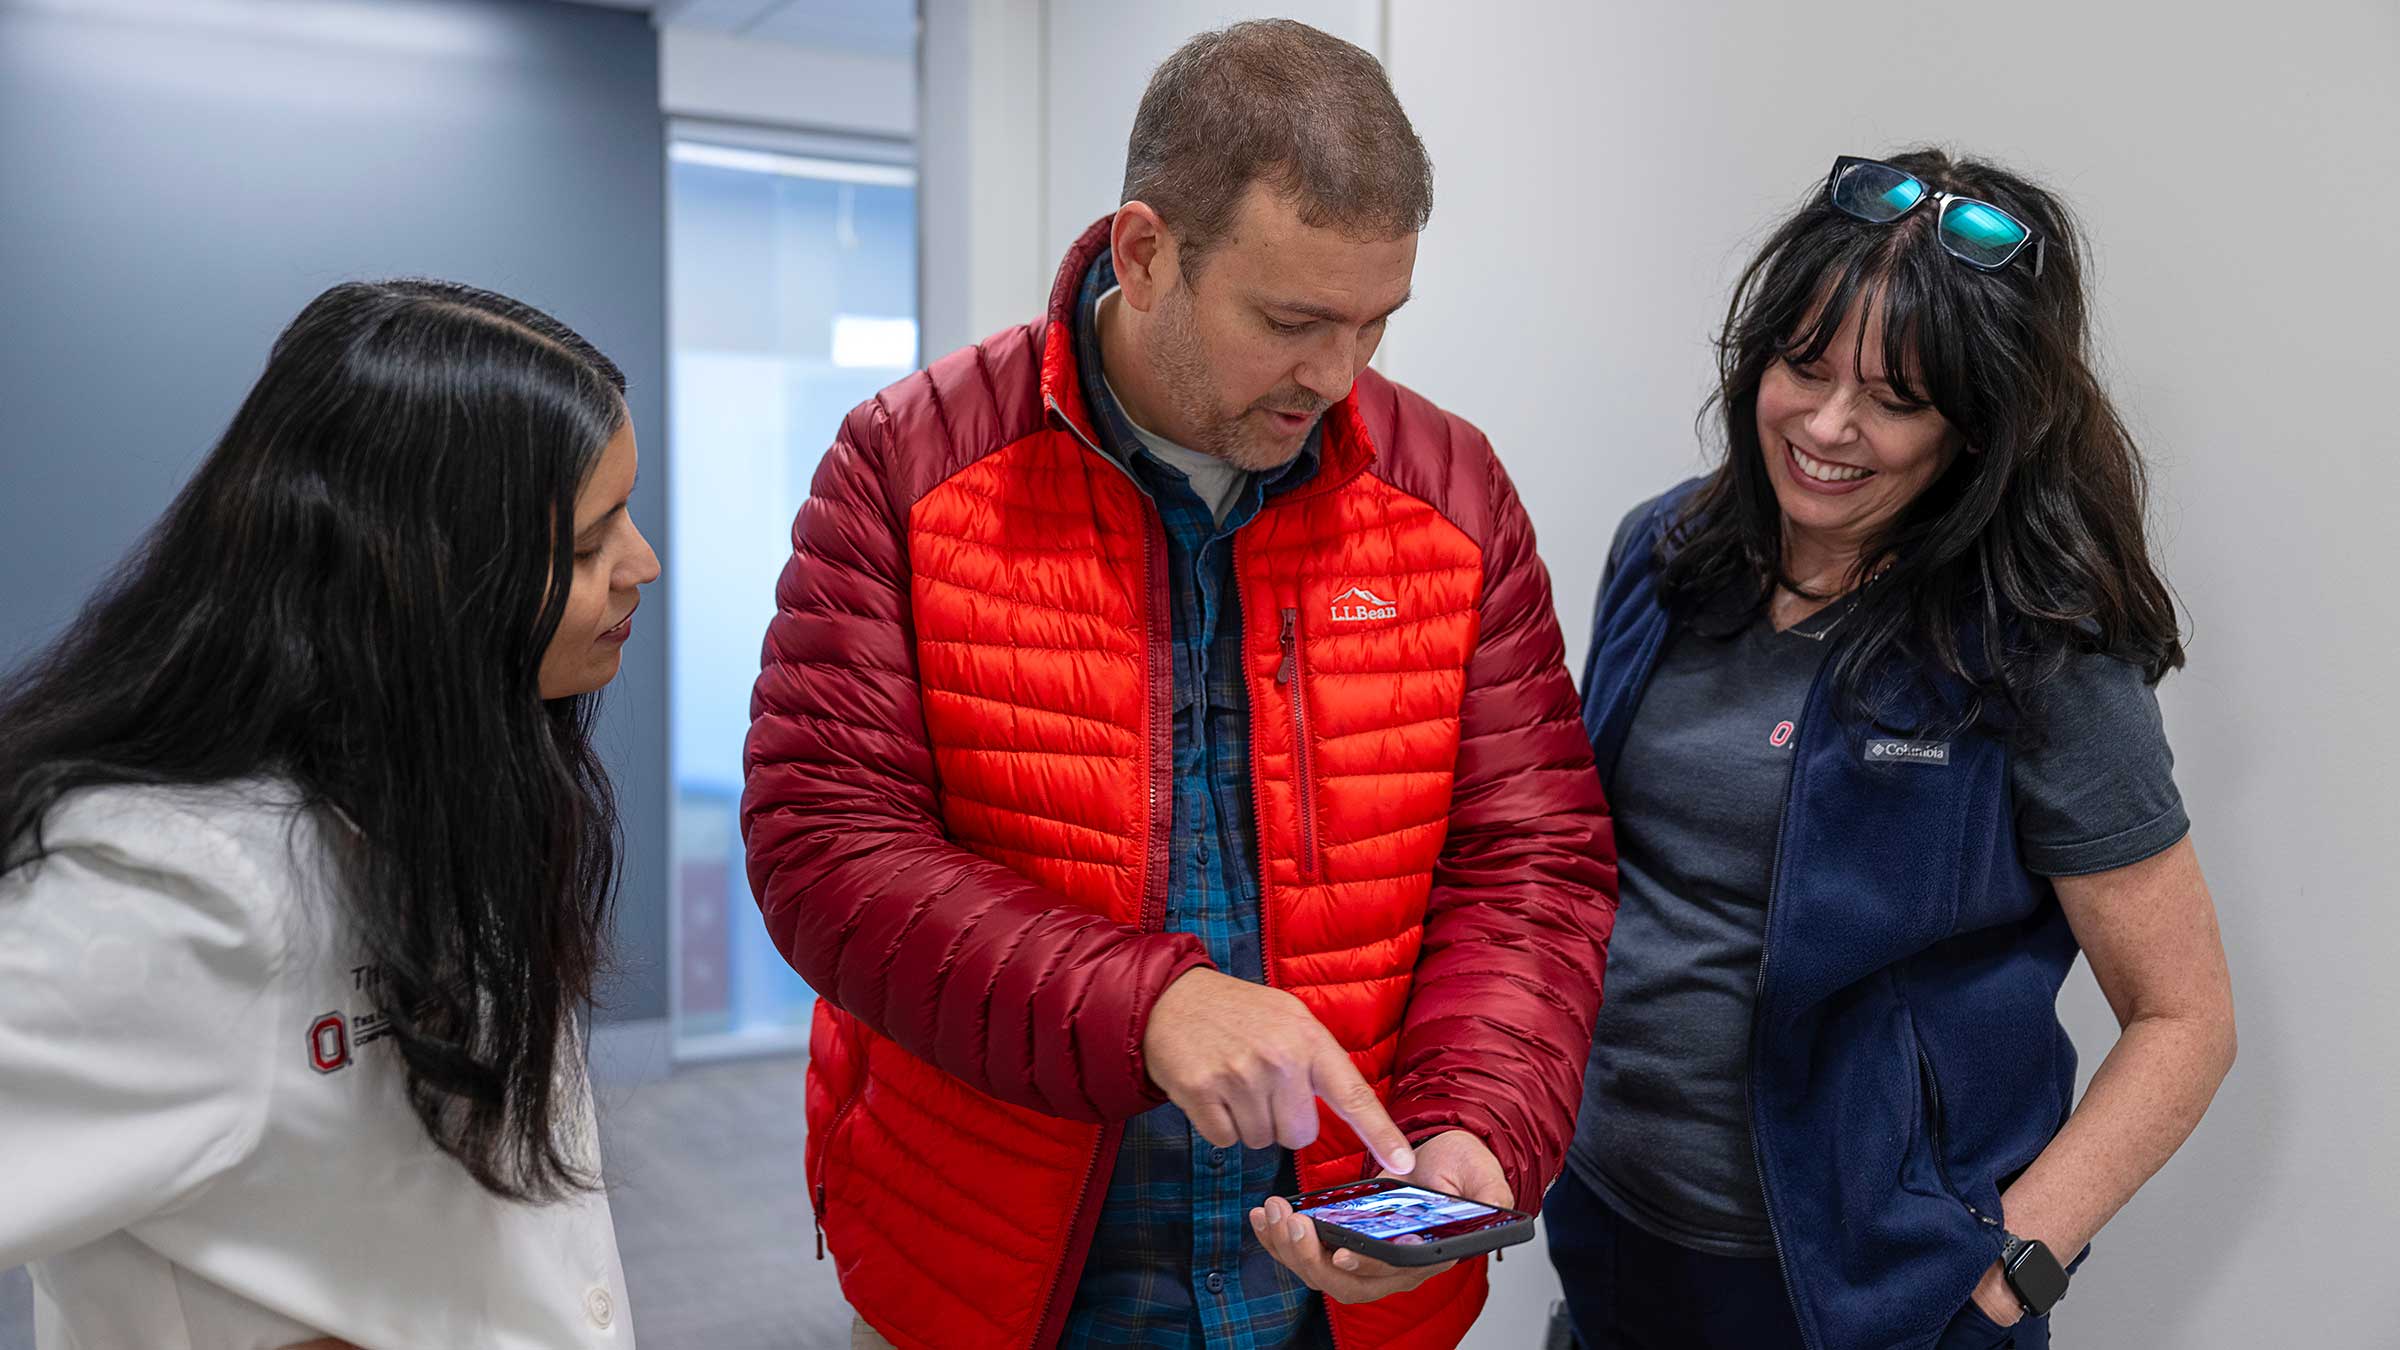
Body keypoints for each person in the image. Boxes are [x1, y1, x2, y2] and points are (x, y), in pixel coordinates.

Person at [742, 19, 1615, 1350]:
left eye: (1376, 321)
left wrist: (1474, 1127)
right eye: (1293, 321)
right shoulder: (906, 468)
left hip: (1334, 1289)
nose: (1339, 376)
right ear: (1144, 251)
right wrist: (1144, 1005)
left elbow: (1531, 861)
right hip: (1003, 1275)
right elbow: (824, 850)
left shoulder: (1450, 492)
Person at [1552, 149, 2237, 1350]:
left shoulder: (2037, 652)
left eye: (1895, 399)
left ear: (1979, 428)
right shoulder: (1662, 553)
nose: (1827, 425)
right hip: (1616, 1240)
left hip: (1879, 1303)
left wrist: (2011, 1269)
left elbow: (2184, 1018)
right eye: (1803, 368)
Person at [0, 280, 658, 1348]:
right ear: (424, 577)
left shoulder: (431, 784)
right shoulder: (188, 896)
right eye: (587, 547)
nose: (642, 566)